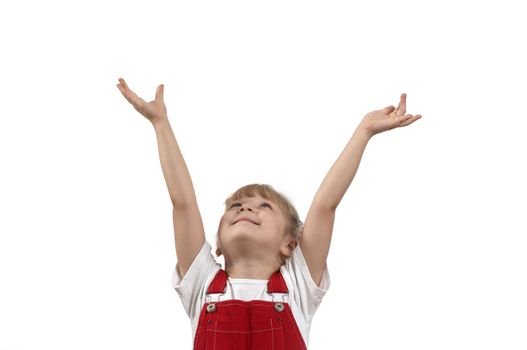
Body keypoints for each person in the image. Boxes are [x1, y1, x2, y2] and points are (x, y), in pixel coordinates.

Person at [116, 78, 422, 349]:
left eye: (264, 206)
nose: (245, 208)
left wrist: (364, 131)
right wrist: (160, 125)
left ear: (290, 244)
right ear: (218, 244)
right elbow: (183, 203)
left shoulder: (297, 285)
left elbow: (325, 205)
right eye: (236, 206)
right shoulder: (202, 283)